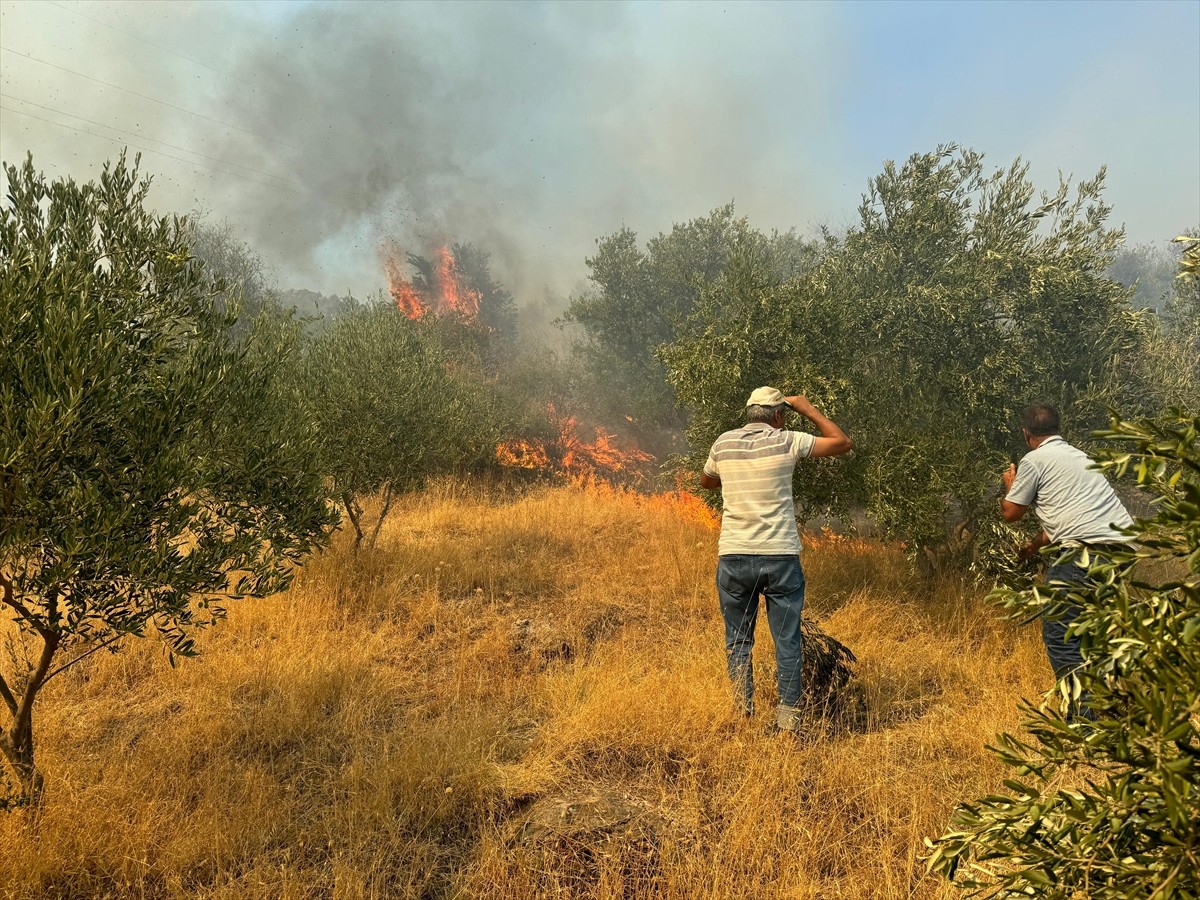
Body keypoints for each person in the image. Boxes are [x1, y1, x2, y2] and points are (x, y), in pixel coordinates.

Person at [699, 387, 853, 733]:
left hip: (735, 555)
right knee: (787, 640)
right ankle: (788, 721)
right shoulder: (788, 440)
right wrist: (808, 408)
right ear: (779, 416)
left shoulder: (723, 443)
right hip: (780, 556)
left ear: (750, 413)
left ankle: (743, 712)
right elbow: (842, 443)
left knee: (738, 640)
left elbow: (706, 481)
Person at [1000, 403, 1134, 720]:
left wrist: (1010, 487)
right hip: (1123, 549)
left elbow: (1011, 513)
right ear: (1059, 429)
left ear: (1026, 433)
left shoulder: (1034, 460)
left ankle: (1083, 724)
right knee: (1095, 632)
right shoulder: (1080, 457)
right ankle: (1109, 711)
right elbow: (1070, 517)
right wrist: (1032, 547)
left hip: (1082, 552)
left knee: (1061, 636)